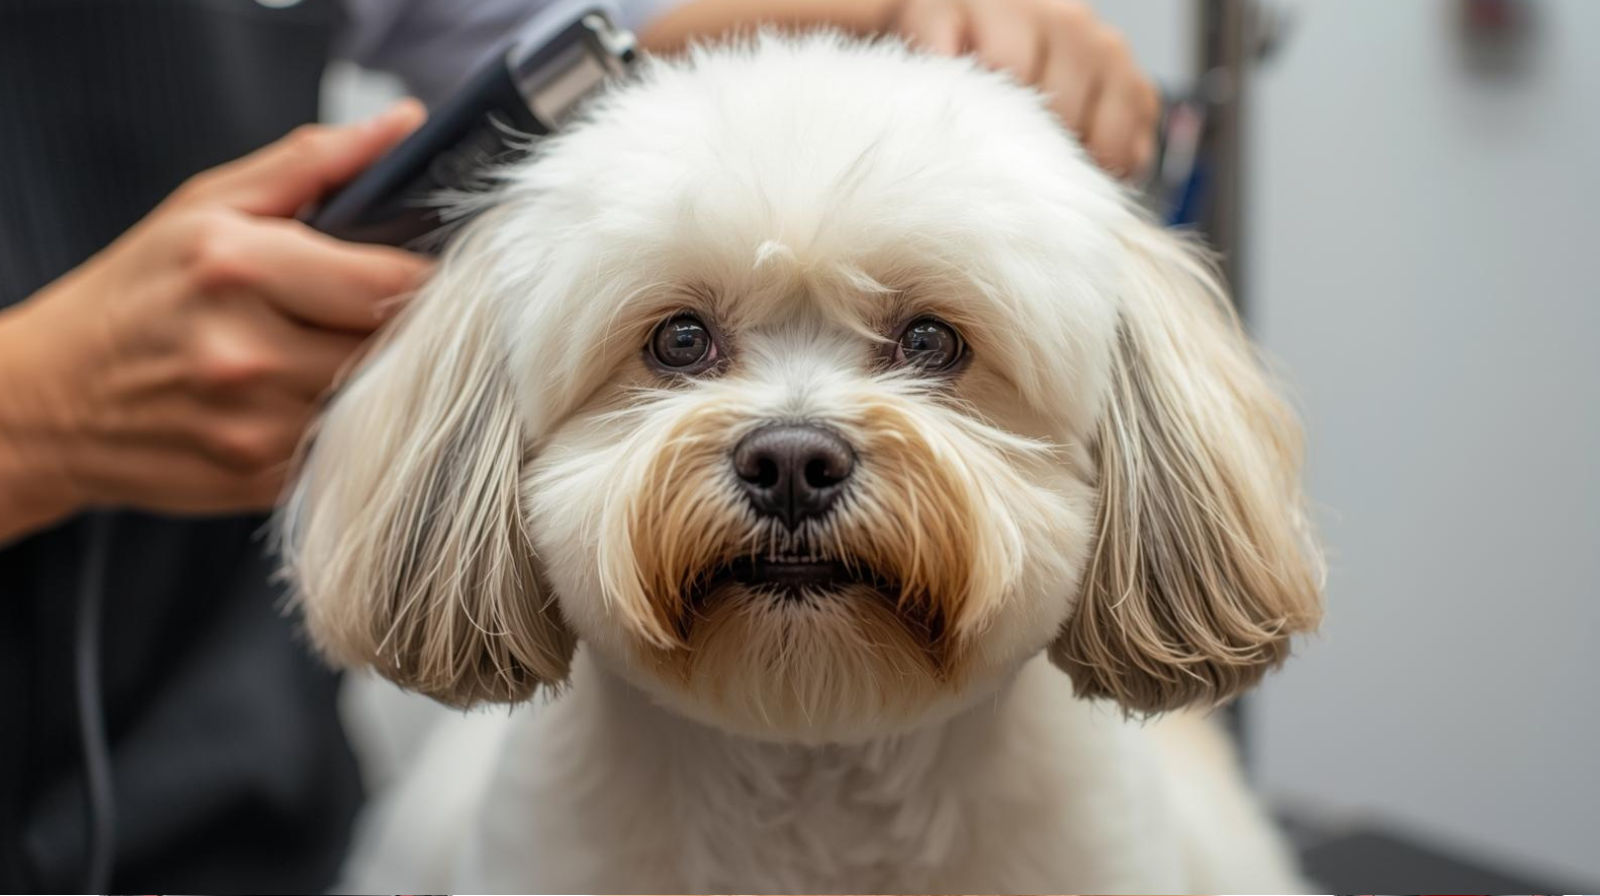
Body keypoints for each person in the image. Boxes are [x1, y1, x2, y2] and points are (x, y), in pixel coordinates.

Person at [0, 0, 1157, 890]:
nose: (793, 445)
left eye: (928, 343)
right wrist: (33, 407)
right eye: (681, 343)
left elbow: (593, 51)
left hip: (229, 817)